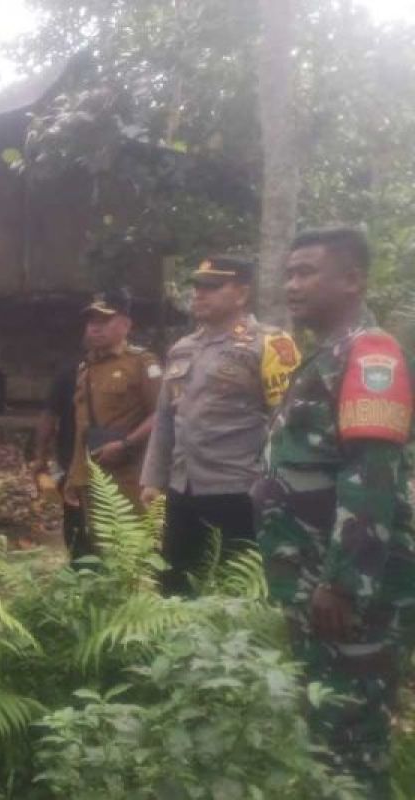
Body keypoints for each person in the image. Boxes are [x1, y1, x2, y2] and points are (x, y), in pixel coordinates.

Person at [254, 227, 415, 795]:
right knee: (326, 732)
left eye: (307, 273)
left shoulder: (372, 354)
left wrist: (343, 583)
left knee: (351, 741)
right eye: (290, 273)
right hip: (313, 582)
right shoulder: (326, 356)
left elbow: (372, 474)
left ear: (352, 279)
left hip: (350, 593)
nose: (293, 285)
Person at [140, 257, 300, 594]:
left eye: (212, 286)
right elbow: (166, 418)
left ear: (241, 293)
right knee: (174, 587)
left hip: (239, 490)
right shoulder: (182, 348)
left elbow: (287, 422)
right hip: (184, 489)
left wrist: (276, 488)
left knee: (236, 590)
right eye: (197, 285)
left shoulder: (270, 344)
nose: (199, 293)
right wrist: (153, 478)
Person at [63, 289, 162, 554]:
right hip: (93, 475)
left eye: (104, 321)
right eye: (91, 321)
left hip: (129, 475)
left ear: (126, 325)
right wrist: (74, 475)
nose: (95, 328)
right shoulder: (86, 368)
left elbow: (161, 415)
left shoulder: (142, 363)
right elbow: (81, 426)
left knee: (132, 551)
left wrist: (126, 444)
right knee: (96, 548)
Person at [32, 360, 87, 560]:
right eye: (92, 326)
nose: (95, 330)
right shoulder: (69, 373)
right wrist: (41, 456)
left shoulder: (137, 366)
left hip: (114, 461)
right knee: (75, 520)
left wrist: (128, 444)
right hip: (71, 459)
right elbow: (49, 416)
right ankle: (78, 571)